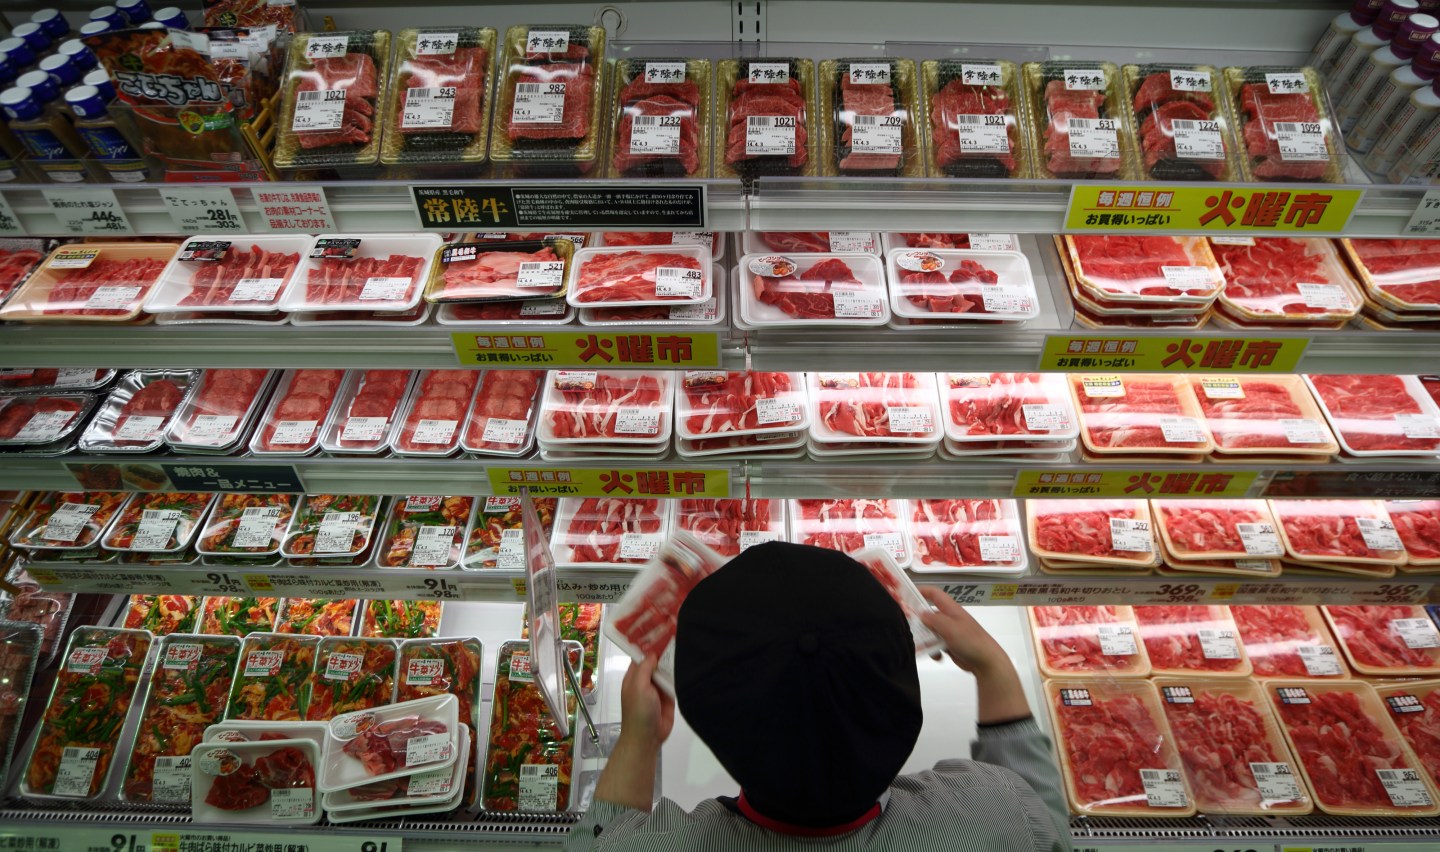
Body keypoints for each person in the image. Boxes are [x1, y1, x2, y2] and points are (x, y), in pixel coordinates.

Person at [564, 541, 1071, 851]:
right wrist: (993, 666)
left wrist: (639, 739)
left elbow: (599, 841)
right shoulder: (991, 816)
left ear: (709, 723)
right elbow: (1043, 814)